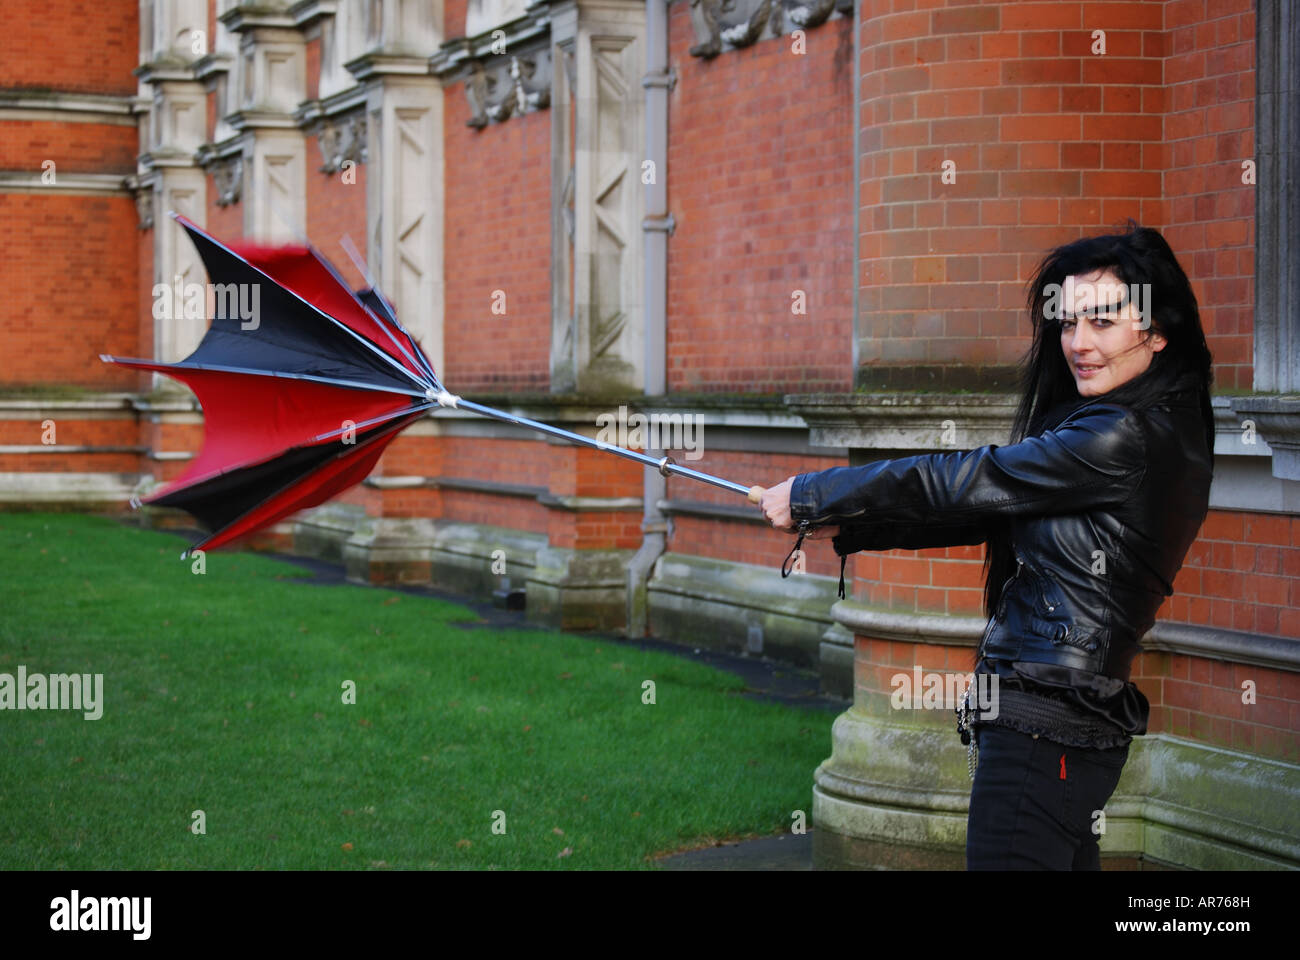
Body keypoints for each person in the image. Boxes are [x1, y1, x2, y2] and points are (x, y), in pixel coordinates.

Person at [758, 223, 1215, 870]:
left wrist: (814, 492)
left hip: (1044, 729)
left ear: (1158, 331)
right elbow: (985, 508)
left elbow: (973, 479)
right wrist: (846, 523)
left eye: (1104, 323)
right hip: (1068, 725)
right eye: (1068, 323)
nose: (1079, 344)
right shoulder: (1153, 426)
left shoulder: (1125, 436)